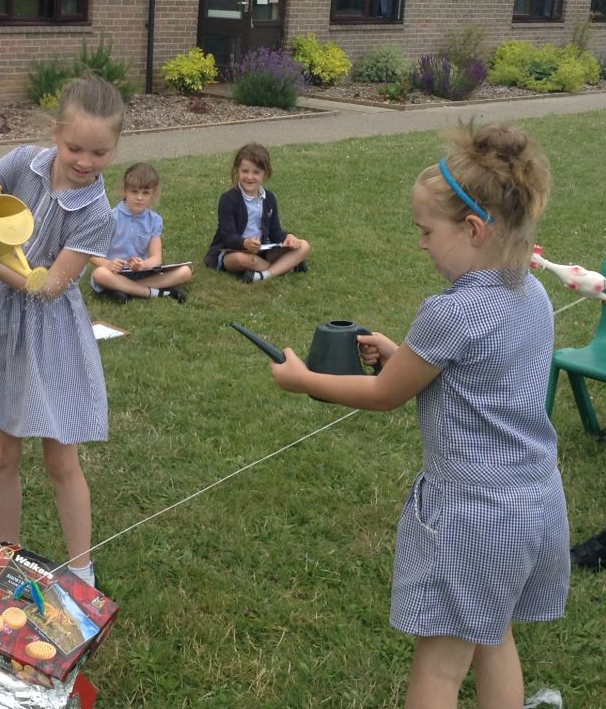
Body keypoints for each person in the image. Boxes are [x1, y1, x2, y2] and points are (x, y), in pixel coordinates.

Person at [270, 122, 569, 709]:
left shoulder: (450, 312)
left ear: (474, 229)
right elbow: (479, 370)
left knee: (439, 667)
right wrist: (403, 353)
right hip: (534, 501)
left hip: (473, 514)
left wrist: (303, 379)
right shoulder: (531, 293)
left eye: (427, 231)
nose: (422, 244)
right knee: (493, 636)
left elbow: (385, 394)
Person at [0, 74, 124, 588]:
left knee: (60, 458)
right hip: (2, 324)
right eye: (75, 148)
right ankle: (7, 558)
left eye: (100, 152)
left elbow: (48, 286)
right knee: (0, 453)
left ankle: (82, 572)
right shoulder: (24, 162)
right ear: (54, 133)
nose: (85, 161)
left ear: (115, 147)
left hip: (52, 333)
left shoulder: (97, 213)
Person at [204, 141, 310, 282]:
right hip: (233, 251)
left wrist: (288, 237)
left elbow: (275, 232)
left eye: (256, 172)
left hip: (262, 250)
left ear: (265, 174)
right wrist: (245, 243)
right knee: (243, 259)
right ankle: (286, 267)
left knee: (303, 246)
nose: (249, 177)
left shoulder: (269, 198)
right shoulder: (228, 199)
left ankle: (263, 275)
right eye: (245, 171)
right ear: (237, 171)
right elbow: (227, 236)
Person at [89, 161, 192, 303]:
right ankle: (153, 292)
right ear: (125, 190)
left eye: (145, 193)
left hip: (141, 274)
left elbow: (156, 258)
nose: (139, 198)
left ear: (153, 194)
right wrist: (108, 264)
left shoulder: (154, 220)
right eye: (134, 191)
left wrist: (144, 264)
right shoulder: (110, 218)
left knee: (185, 272)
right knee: (100, 274)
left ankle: (125, 289)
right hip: (114, 272)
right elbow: (90, 253)